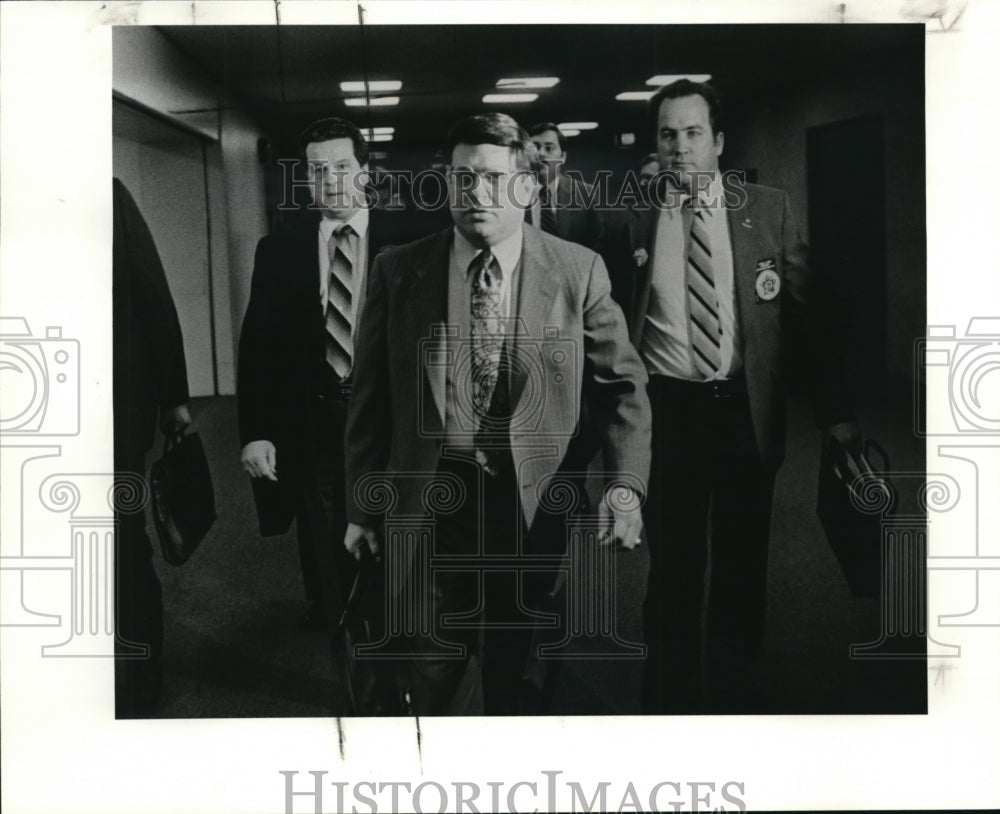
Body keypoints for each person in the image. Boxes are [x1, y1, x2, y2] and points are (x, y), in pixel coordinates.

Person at [343, 112, 652, 716]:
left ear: (528, 187)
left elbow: (623, 384)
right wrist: (362, 506)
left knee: (524, 665)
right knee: (432, 664)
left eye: (492, 178)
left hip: (531, 501)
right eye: (462, 179)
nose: (475, 194)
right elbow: (370, 400)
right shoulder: (399, 269)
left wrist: (626, 487)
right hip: (434, 497)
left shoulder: (575, 269)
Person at [608, 80, 860, 713]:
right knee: (674, 565)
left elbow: (806, 317)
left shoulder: (765, 209)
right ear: (656, 143)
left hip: (746, 412)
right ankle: (668, 694)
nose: (680, 148)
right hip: (669, 412)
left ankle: (733, 685)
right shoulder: (629, 216)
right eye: (668, 134)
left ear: (718, 142)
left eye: (693, 133)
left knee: (743, 560)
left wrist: (835, 415)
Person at [238, 118, 430, 649]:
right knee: (325, 539)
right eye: (317, 170)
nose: (330, 180)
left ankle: (396, 633)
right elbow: (257, 349)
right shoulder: (278, 250)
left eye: (342, 167)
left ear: (364, 172)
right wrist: (254, 431)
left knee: (396, 530)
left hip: (390, 421)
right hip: (315, 420)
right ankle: (346, 645)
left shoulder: (411, 242)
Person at [112, 177, 191, 717]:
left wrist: (173, 397)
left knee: (121, 546)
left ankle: (138, 675)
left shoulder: (108, 196)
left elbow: (152, 297)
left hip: (110, 412)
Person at [527, 121, 605, 250]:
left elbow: (597, 243)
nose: (541, 153)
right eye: (535, 147)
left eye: (549, 148)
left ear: (563, 157)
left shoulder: (585, 194)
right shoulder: (513, 193)